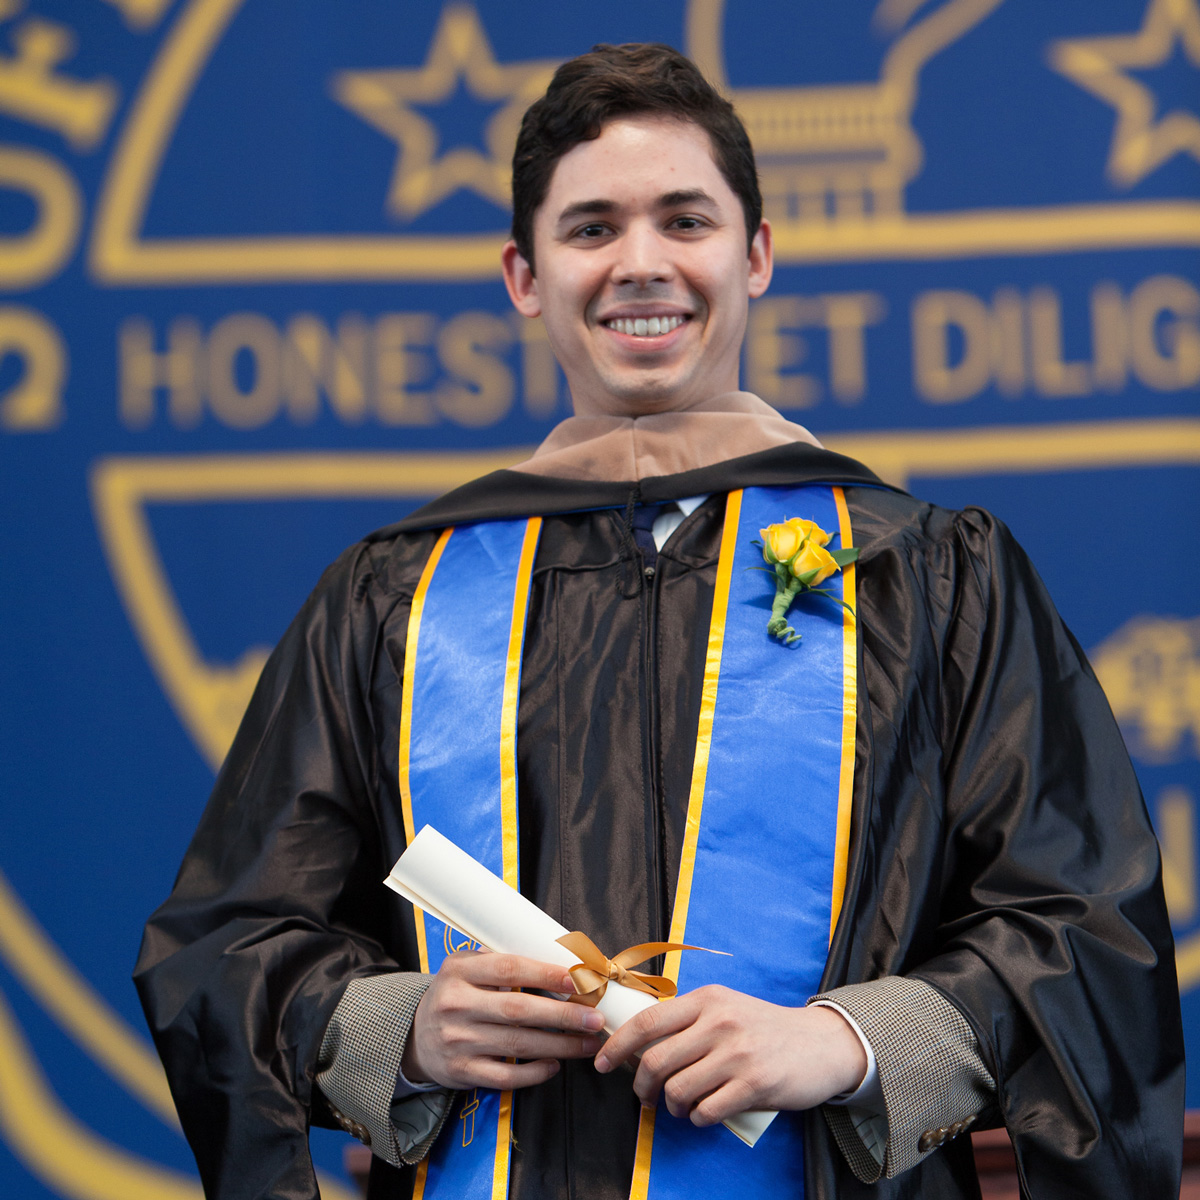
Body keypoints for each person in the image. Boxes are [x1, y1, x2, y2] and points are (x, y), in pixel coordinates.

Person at [135, 42, 1184, 1200]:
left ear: (758, 255)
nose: (641, 264)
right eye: (591, 229)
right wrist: (405, 1028)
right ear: (524, 274)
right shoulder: (395, 596)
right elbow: (227, 944)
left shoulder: (925, 576)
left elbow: (1084, 933)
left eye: (685, 221)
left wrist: (848, 1043)